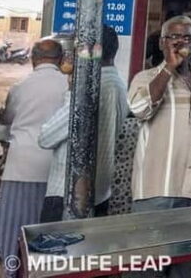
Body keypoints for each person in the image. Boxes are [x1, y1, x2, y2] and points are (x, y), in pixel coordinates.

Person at [128, 15, 191, 278]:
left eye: (188, 38)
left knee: (190, 270)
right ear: (162, 43)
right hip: (157, 193)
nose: (181, 42)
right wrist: (169, 68)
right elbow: (140, 109)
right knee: (148, 270)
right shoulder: (145, 78)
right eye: (174, 36)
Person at [38, 25, 129, 222]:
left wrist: (72, 91)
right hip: (100, 193)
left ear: (91, 51)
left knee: (53, 253)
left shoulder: (90, 87)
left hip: (68, 193)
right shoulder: (119, 84)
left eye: (77, 48)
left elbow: (46, 137)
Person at [0, 39, 68, 267]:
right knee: (46, 233)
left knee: (13, 229)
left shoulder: (21, 87)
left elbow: (6, 121)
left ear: (33, 58)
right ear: (61, 59)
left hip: (20, 168)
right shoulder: (68, 87)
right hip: (55, 171)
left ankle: (12, 270)